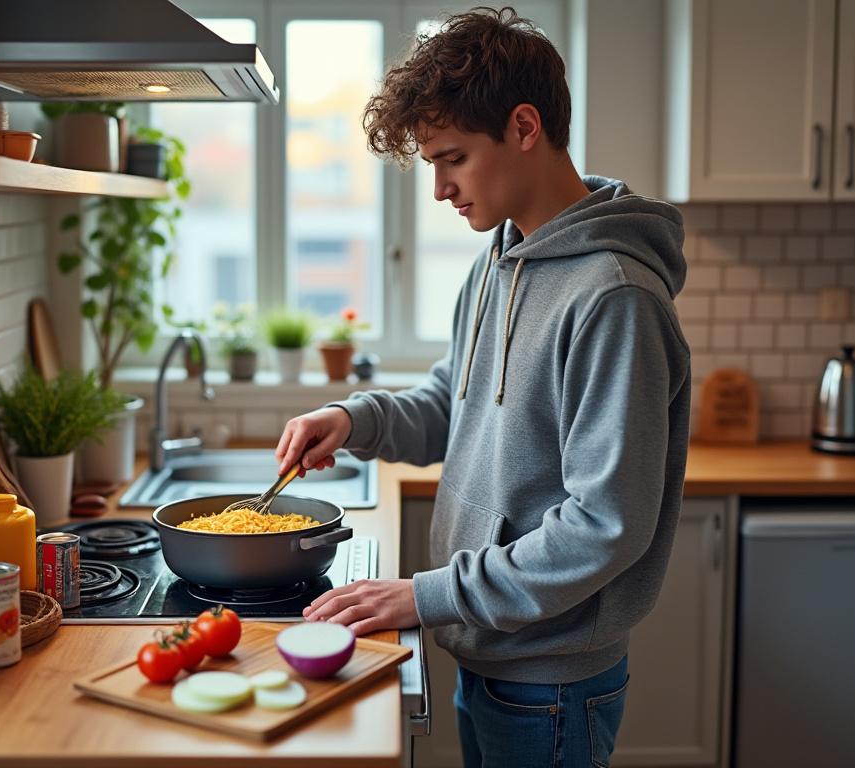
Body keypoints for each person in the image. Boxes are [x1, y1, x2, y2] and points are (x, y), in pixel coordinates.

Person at [273, 6, 690, 768]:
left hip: (550, 679)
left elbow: (604, 524)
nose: (439, 189)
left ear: (525, 127)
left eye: (453, 158)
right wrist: (353, 417)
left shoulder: (614, 297)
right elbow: (450, 406)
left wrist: (425, 596)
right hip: (493, 651)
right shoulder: (500, 260)